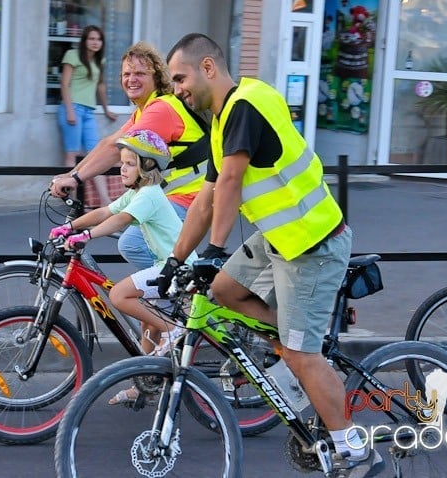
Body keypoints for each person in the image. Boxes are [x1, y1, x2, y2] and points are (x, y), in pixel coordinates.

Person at [158, 33, 383, 476]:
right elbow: (205, 200)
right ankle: (294, 355)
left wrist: (215, 249)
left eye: (180, 78)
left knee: (303, 354)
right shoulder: (223, 120)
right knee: (223, 291)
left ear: (208, 67)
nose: (176, 89)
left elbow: (230, 183)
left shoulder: (246, 104)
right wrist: (175, 259)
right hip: (279, 238)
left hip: (313, 242)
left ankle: (353, 447)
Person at [50, 129, 197, 404]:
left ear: (148, 165)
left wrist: (86, 236)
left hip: (177, 269)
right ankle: (143, 386)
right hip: (166, 267)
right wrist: (69, 226)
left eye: (130, 164)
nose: (122, 169)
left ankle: (172, 330)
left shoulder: (149, 195)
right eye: (122, 163)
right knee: (146, 325)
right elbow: (105, 212)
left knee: (119, 295)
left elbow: (120, 220)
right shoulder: (138, 192)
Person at [50, 41, 210, 270]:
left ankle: (175, 297)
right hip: (169, 195)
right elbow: (109, 142)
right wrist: (71, 174)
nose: (131, 79)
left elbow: (116, 150)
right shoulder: (145, 110)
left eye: (140, 73)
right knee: (128, 227)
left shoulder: (161, 109)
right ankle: (172, 288)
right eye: (126, 73)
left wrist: (75, 180)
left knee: (132, 243)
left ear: (156, 77)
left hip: (189, 197)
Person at [58, 25, 118, 207]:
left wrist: (106, 109)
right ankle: (74, 202)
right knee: (72, 154)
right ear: (84, 40)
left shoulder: (99, 61)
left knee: (96, 155)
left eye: (98, 39)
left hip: (89, 111)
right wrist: (69, 110)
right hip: (73, 108)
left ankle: (104, 201)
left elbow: (100, 86)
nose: (95, 42)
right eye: (91, 38)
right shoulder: (72, 55)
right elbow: (64, 84)